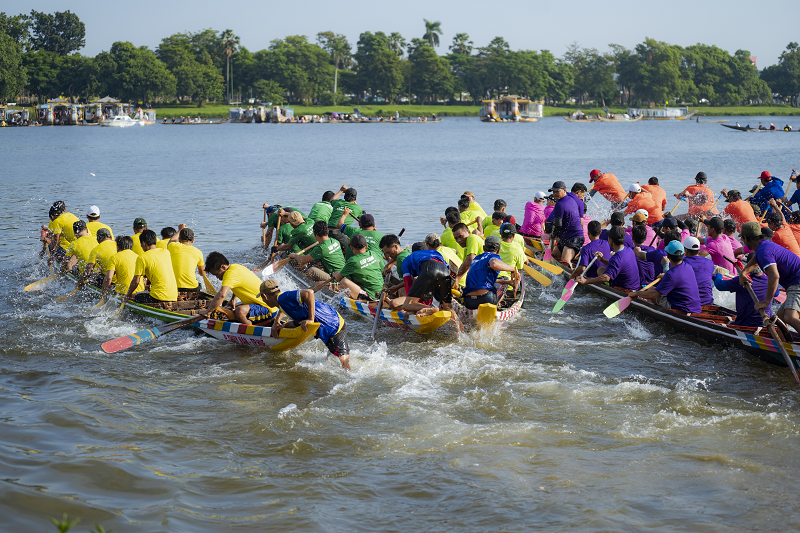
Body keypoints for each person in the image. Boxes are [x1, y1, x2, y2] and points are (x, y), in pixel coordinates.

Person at [259, 280, 350, 370]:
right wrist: (277, 322)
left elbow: (309, 292)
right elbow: (283, 308)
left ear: (265, 296)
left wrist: (310, 319)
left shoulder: (283, 297)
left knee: (343, 361)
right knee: (332, 356)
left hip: (333, 324)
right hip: (327, 320)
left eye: (262, 298)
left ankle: (350, 373)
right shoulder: (282, 300)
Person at [739, 221, 800, 333]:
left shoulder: (763, 251)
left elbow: (774, 277)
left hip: (797, 282)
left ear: (745, 238)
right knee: (781, 318)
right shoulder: (763, 246)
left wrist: (766, 302)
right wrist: (743, 272)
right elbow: (757, 259)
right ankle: (783, 342)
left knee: (790, 316)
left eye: (742, 239)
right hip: (794, 281)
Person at [203, 251, 278, 325]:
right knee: (233, 308)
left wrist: (207, 312)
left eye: (217, 274)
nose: (217, 277)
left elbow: (222, 295)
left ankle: (251, 329)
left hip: (268, 308)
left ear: (223, 267)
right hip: (262, 304)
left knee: (239, 311)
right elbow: (238, 284)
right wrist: (233, 299)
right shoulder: (236, 267)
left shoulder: (229, 274)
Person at [629, 241, 701, 314]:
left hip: (681, 308)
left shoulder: (671, 274)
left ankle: (657, 315)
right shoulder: (688, 267)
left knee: (653, 295)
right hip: (694, 306)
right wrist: (665, 276)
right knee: (651, 289)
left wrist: (636, 293)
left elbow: (655, 295)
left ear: (668, 256)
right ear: (684, 254)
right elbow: (676, 278)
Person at [713, 253, 776, 327]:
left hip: (745, 324)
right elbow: (777, 293)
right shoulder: (771, 281)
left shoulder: (741, 280)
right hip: (766, 325)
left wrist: (719, 274)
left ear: (748, 265)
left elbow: (719, 285)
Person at [388, 245, 453, 314]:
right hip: (445, 272)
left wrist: (410, 308)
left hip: (429, 269)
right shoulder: (435, 253)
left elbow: (408, 283)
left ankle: (432, 309)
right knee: (448, 308)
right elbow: (450, 270)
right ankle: (456, 320)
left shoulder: (408, 259)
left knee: (406, 305)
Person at [122, 230, 178, 306]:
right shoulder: (166, 252)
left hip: (158, 297)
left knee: (135, 296)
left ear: (144, 243)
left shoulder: (142, 257)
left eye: (141, 244)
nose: (141, 246)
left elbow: (136, 281)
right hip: (174, 295)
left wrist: (127, 295)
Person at [462, 236, 519, 309]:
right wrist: (513, 269)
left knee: (502, 281)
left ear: (483, 248)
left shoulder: (476, 259)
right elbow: (494, 263)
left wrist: (507, 282)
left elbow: (484, 281)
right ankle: (495, 307)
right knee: (504, 281)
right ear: (498, 250)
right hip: (486, 299)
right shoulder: (494, 256)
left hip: (468, 301)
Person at [577, 226, 640, 291]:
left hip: (624, 289)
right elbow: (617, 265)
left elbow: (606, 278)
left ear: (611, 240)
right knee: (601, 269)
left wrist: (586, 281)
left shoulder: (617, 258)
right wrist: (602, 260)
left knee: (602, 274)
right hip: (635, 287)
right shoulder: (629, 250)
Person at [333, 234, 384, 300]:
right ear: (366, 246)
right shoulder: (373, 254)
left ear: (351, 247)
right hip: (382, 290)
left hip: (371, 295)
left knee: (344, 281)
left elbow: (338, 278)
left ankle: (364, 298)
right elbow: (378, 261)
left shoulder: (353, 260)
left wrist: (335, 274)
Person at [549, 180, 584, 265]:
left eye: (557, 191)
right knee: (555, 255)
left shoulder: (559, 204)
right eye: (553, 192)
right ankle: (574, 262)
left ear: (564, 190)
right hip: (567, 237)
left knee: (565, 262)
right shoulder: (570, 198)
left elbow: (557, 225)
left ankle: (573, 271)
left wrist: (552, 235)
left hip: (574, 238)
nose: (555, 194)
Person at [167, 226, 206, 292]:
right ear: (193, 240)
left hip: (174, 287)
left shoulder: (173, 246)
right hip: (192, 288)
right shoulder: (198, 252)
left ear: (179, 239)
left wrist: (180, 229)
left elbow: (172, 240)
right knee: (199, 284)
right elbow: (202, 273)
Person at [682, 236, 715, 306]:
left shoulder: (682, 263)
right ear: (699, 249)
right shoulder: (710, 263)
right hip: (708, 301)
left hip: (689, 303)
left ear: (686, 251)